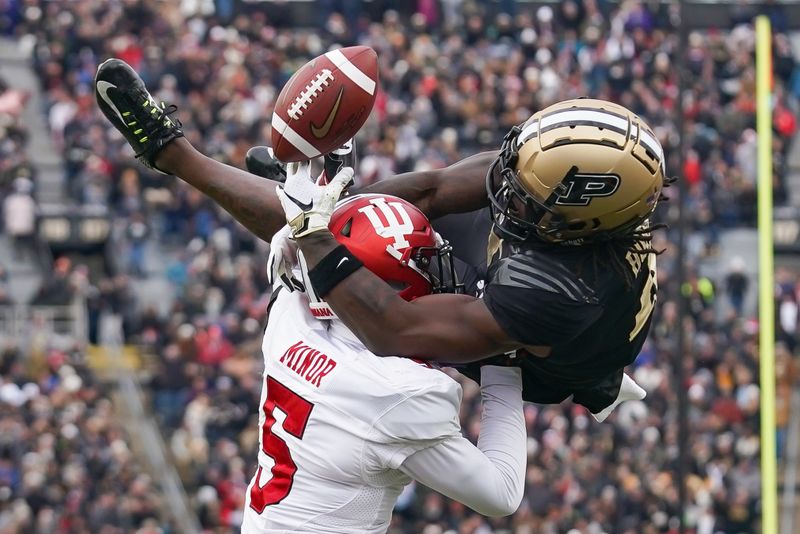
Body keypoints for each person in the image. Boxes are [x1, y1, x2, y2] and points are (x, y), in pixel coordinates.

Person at [94, 58, 664, 420]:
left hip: (540, 363)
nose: (506, 190)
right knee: (357, 224)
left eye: (525, 197)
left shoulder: (560, 289)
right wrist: (339, 204)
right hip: (557, 299)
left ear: (580, 222)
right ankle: (193, 164)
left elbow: (397, 331)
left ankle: (173, 156)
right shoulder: (558, 193)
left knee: (366, 250)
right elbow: (437, 189)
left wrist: (316, 228)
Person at [243, 190, 526, 532]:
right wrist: (503, 364)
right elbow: (502, 494)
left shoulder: (292, 316)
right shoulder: (398, 392)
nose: (438, 272)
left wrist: (296, 233)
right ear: (391, 285)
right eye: (427, 262)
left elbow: (301, 270)